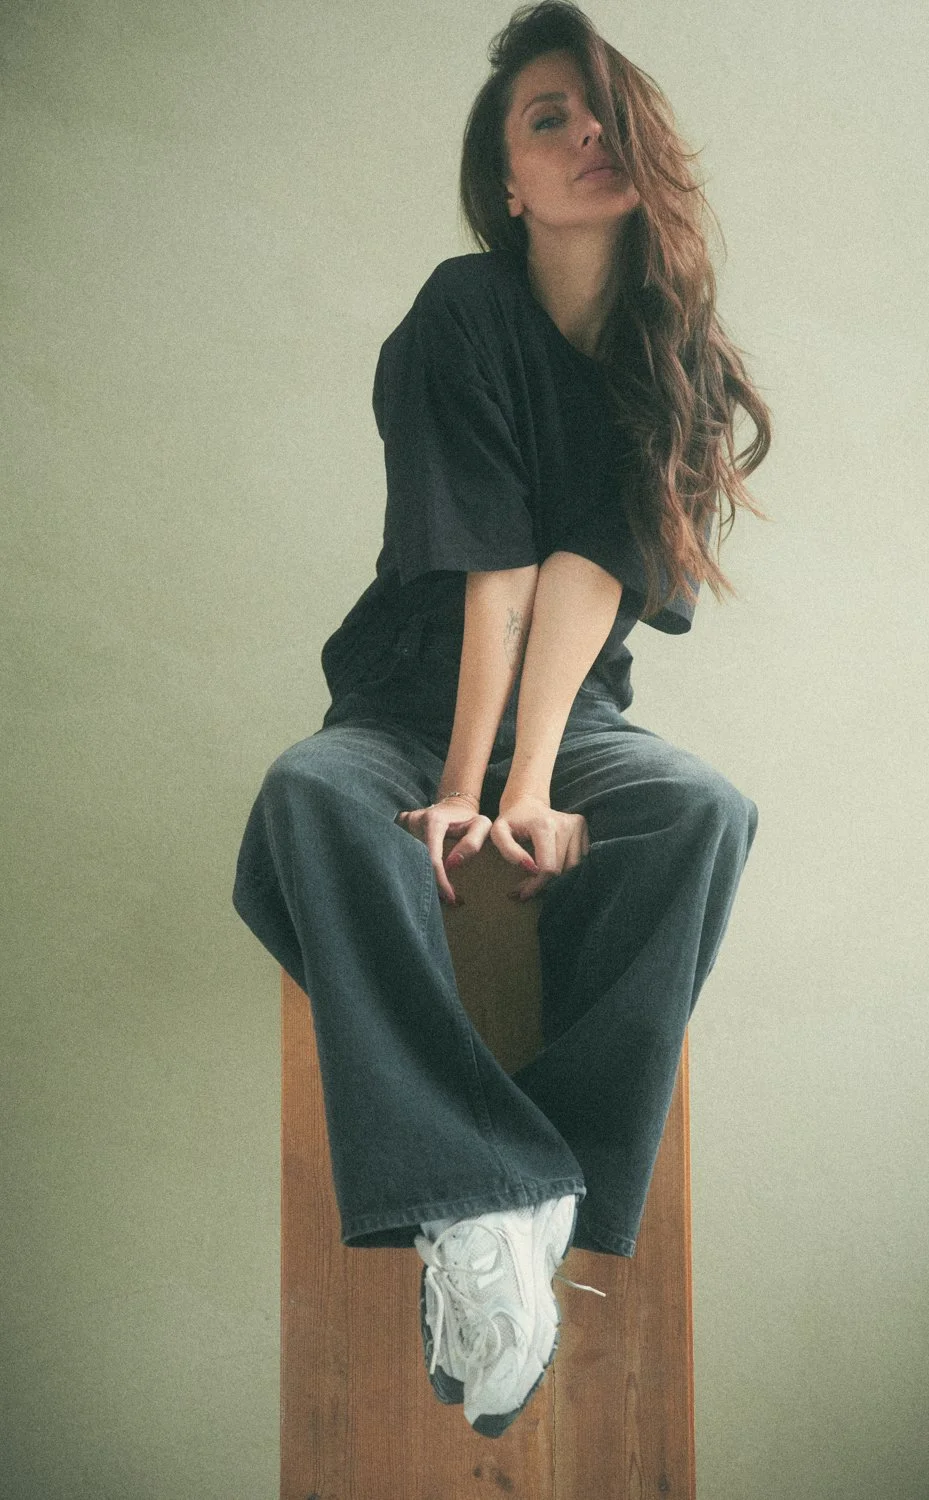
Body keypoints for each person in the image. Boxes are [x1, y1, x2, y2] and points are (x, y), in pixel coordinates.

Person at [231, 0, 771, 1440]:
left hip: (572, 707)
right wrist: (466, 785)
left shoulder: (679, 360)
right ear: (508, 181)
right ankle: (483, 1191)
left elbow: (591, 582)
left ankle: (542, 1186)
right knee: (308, 803)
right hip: (409, 694)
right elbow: (497, 571)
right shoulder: (463, 310)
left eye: (603, 114)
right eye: (549, 119)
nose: (586, 137)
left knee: (701, 811)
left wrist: (534, 779)